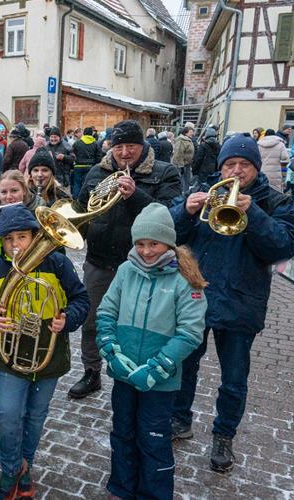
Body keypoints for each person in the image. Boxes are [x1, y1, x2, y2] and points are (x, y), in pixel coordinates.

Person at [170, 133, 294, 473]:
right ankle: (179, 419)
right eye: (230, 164)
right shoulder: (204, 192)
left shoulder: (274, 202)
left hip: (242, 302)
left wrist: (254, 214)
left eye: (245, 165)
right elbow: (169, 234)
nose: (237, 171)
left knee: (233, 378)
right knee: (185, 367)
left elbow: (284, 246)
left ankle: (223, 436)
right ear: (221, 166)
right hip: (196, 298)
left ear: (256, 168)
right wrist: (184, 211)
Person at [0, 204, 89, 500]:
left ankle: (26, 467)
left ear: (35, 237)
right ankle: (12, 468)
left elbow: (81, 299)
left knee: (36, 416)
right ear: (0, 241)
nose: (15, 245)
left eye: (22, 237)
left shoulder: (57, 264)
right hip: (11, 357)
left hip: (50, 356)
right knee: (9, 414)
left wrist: (69, 318)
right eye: (9, 239)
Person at [96, 203, 206, 500]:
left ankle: (153, 494)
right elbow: (106, 312)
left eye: (153, 243)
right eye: (140, 243)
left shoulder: (185, 280)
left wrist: (159, 366)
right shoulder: (125, 270)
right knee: (122, 432)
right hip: (124, 374)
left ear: (167, 242)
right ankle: (122, 487)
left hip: (160, 381)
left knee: (153, 438)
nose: (146, 251)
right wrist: (110, 350)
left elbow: (190, 331)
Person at [69, 120, 182, 399]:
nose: (124, 152)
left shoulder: (165, 172)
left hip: (141, 267)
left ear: (142, 146)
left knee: (138, 325)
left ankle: (137, 372)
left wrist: (135, 196)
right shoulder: (98, 171)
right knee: (92, 320)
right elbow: (82, 208)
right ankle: (91, 371)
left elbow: (169, 216)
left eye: (131, 146)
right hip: (98, 260)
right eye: (118, 146)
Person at [70, 127, 104, 198]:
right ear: (91, 133)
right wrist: (95, 164)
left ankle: (75, 200)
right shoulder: (96, 143)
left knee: (77, 184)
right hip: (90, 166)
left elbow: (72, 154)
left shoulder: (77, 143)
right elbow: (98, 156)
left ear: (84, 133)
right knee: (86, 184)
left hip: (78, 166)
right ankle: (85, 200)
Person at [172, 127, 195, 193]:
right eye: (191, 132)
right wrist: (180, 165)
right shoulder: (181, 140)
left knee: (187, 181)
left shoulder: (188, 140)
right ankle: (181, 194)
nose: (192, 133)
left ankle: (185, 193)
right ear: (186, 132)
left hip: (187, 164)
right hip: (182, 164)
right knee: (182, 181)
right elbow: (179, 153)